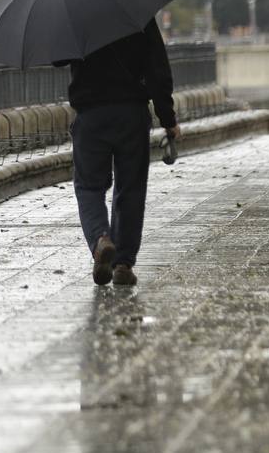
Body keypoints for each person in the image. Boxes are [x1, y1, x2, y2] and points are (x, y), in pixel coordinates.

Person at [58, 19, 179, 286]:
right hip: (131, 114)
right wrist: (168, 119)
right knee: (131, 188)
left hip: (90, 115)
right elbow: (158, 69)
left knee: (89, 187)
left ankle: (101, 239)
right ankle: (123, 264)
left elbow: (58, 57)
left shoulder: (77, 14)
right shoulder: (136, 13)